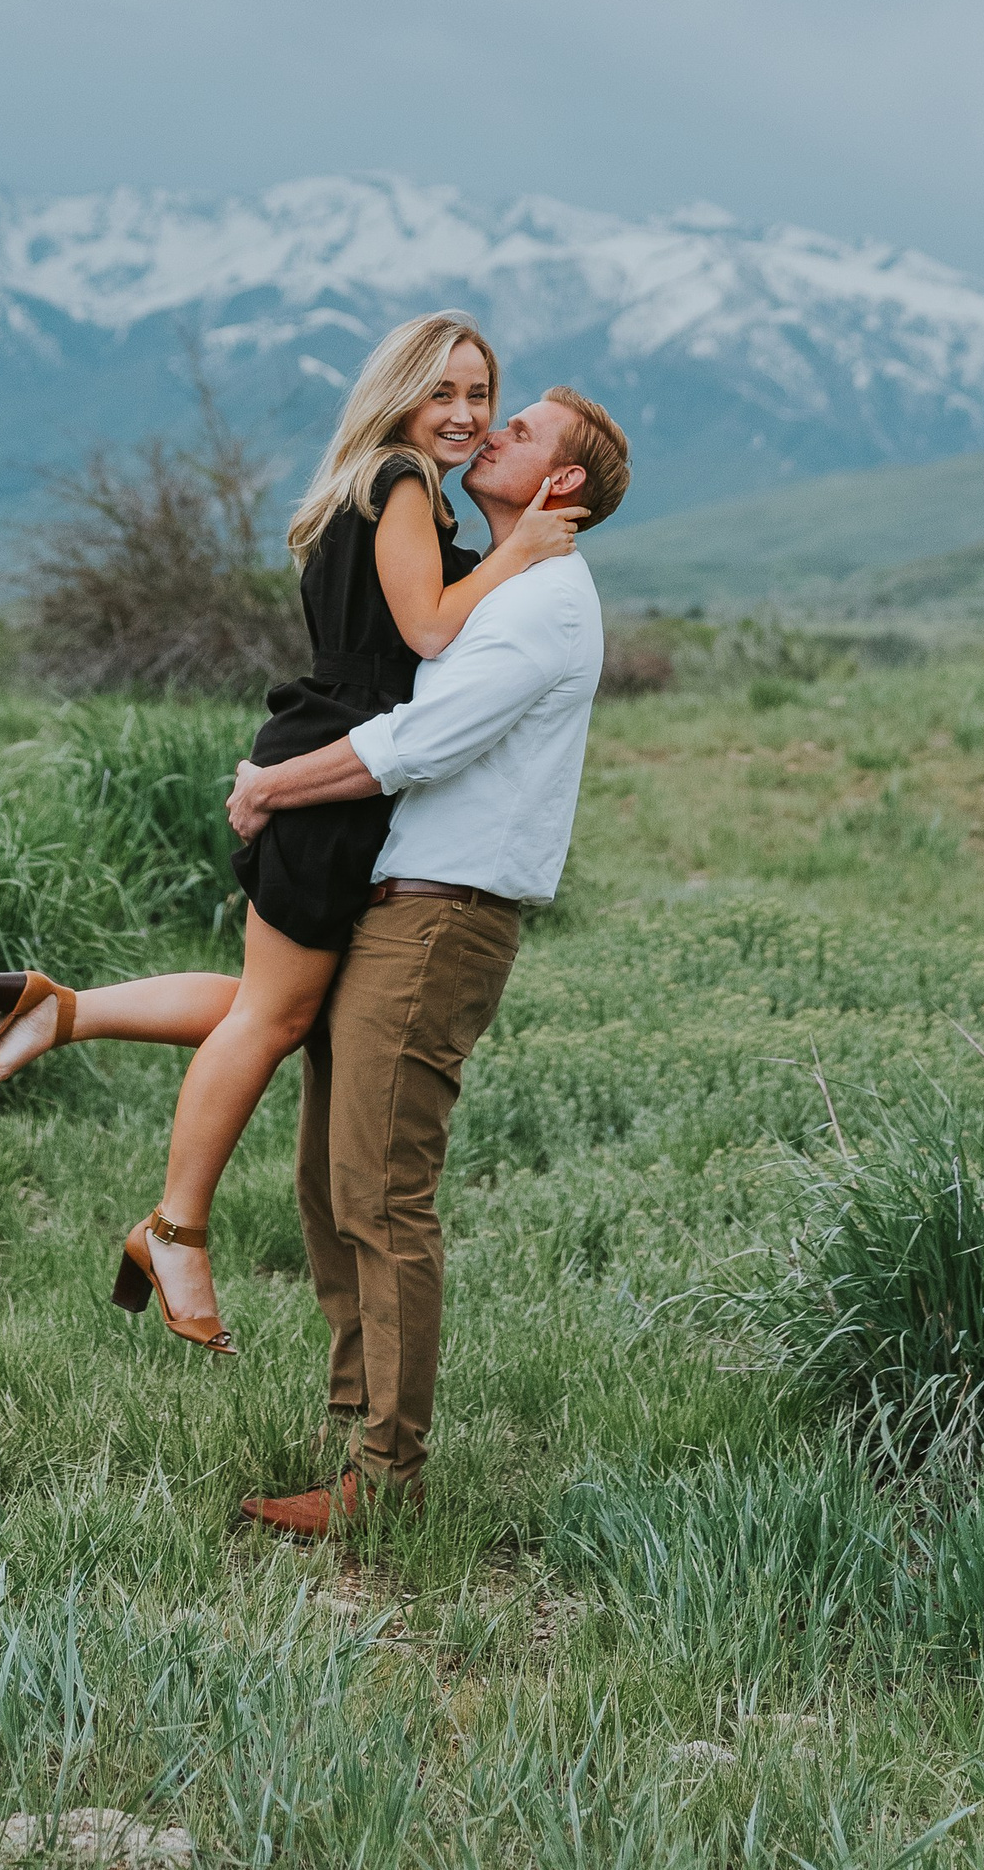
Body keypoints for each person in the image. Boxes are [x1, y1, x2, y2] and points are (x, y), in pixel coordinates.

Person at [0, 313, 586, 1353]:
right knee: (274, 1016)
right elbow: (430, 627)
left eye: (480, 392)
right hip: (336, 771)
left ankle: (55, 1011)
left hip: (332, 757)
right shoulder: (401, 481)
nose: (467, 413)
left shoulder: (386, 485)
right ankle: (174, 1229)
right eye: (443, 391)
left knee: (277, 1001)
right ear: (399, 394)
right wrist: (519, 549)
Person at [226, 381, 630, 1535]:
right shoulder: (496, 582)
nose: (490, 428)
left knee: (382, 1194)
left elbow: (420, 741)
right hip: (390, 903)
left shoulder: (545, 602)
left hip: (442, 918)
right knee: (328, 1181)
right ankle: (349, 1425)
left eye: (519, 429)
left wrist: (273, 785)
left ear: (561, 482)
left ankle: (385, 1479)